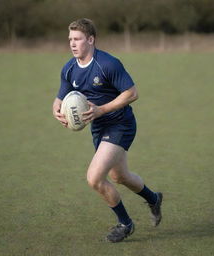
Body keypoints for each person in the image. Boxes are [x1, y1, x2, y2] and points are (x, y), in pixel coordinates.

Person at [52, 18, 163, 243]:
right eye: (70, 39)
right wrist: (57, 110)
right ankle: (154, 199)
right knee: (119, 176)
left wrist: (102, 109)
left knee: (94, 178)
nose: (72, 44)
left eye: (78, 39)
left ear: (90, 39)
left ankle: (126, 224)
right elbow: (60, 98)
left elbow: (132, 93)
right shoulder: (69, 68)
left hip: (120, 124)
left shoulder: (108, 64)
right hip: (99, 126)